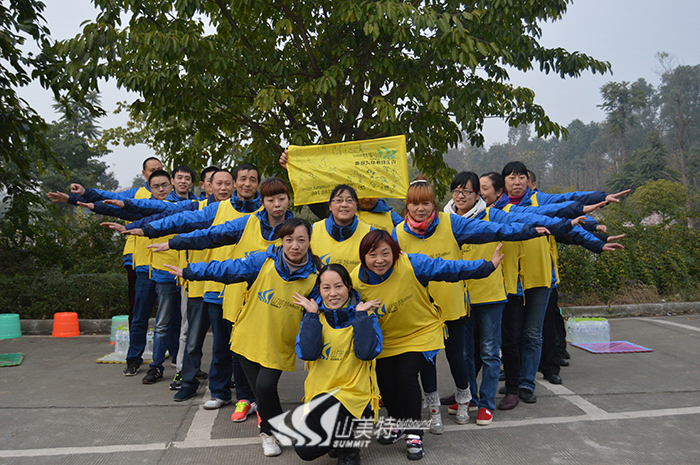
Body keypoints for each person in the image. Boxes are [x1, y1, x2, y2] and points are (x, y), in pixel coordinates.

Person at [393, 177, 571, 432]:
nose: (420, 209)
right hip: (422, 309)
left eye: (426, 203)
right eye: (414, 204)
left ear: (434, 204)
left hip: (457, 304)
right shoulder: (398, 233)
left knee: (470, 355)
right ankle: (445, 407)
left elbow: (493, 230)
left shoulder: (451, 222)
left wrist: (532, 230)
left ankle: (474, 402)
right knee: (431, 361)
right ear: (407, 205)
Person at [164, 218, 321, 458]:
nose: (295, 246)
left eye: (301, 240)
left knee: (265, 386)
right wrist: (190, 272)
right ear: (281, 240)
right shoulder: (263, 261)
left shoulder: (315, 276)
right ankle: (269, 434)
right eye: (289, 239)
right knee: (261, 391)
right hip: (247, 337)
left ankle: (275, 427)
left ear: (309, 241)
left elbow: (328, 303)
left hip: (278, 344)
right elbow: (227, 269)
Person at [350, 230, 503, 461]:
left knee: (405, 375)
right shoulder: (355, 280)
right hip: (386, 338)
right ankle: (397, 423)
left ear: (395, 253)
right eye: (372, 255)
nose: (379, 260)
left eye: (385, 253)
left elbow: (449, 268)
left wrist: (486, 266)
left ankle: (414, 433)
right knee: (385, 381)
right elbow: (336, 298)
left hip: (421, 331)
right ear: (363, 257)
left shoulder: (411, 264)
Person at [149, 177, 294, 420]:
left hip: (275, 302)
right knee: (238, 349)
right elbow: (210, 236)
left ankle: (263, 402)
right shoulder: (247, 223)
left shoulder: (297, 229)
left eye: (282, 198)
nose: (277, 204)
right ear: (262, 201)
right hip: (241, 298)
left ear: (289, 200)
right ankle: (246, 399)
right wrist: (173, 243)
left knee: (269, 352)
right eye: (271, 199)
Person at [119, 166, 261, 410]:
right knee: (196, 339)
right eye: (220, 183)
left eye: (252, 180)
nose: (226, 187)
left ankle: (246, 393)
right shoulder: (207, 209)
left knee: (240, 345)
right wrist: (146, 228)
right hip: (203, 283)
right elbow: (171, 215)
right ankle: (194, 382)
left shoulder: (261, 213)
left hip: (243, 289)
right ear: (208, 185)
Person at [489, 162, 626, 408]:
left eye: (521, 177)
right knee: (512, 335)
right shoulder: (498, 209)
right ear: (503, 182)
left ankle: (527, 384)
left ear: (528, 181)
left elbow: (570, 215)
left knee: (533, 333)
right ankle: (513, 381)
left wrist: (597, 239)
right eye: (511, 177)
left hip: (540, 277)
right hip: (510, 280)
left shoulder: (540, 200)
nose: (517, 182)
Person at [47, 156, 164, 327]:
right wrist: (74, 199)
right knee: (137, 305)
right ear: (144, 173)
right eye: (153, 170)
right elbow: (107, 200)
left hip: (167, 256)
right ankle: (136, 338)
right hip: (138, 257)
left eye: (160, 169)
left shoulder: (170, 195)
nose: (157, 173)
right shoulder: (135, 194)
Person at [293, 264, 382, 465]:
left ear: (348, 287)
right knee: (305, 450)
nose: (333, 293)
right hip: (319, 399)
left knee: (323, 403)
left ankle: (350, 450)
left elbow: (367, 353)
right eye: (326, 288)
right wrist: (311, 316)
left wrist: (361, 317)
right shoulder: (313, 317)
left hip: (355, 399)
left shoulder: (366, 316)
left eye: (338, 286)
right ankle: (339, 438)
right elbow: (307, 354)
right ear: (319, 291)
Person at [310, 185, 372, 269]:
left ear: (356, 206)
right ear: (330, 206)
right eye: (339, 200)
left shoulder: (369, 233)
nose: (344, 205)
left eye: (349, 200)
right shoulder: (313, 230)